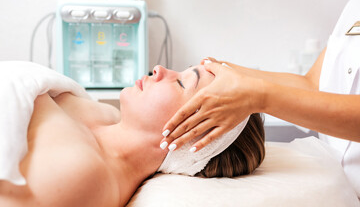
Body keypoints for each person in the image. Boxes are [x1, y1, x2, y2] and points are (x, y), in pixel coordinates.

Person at [161, 0, 360, 197]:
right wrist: (226, 70)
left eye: (181, 83)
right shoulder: (355, 4)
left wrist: (257, 97)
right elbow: (313, 86)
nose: (158, 69)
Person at [0, 64, 264, 207]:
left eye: (182, 82)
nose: (160, 69)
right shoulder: (104, 116)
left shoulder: (84, 177)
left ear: (191, 136)